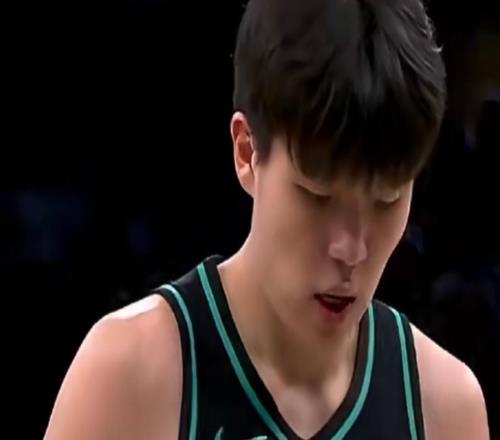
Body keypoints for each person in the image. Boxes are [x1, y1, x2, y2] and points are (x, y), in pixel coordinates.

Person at [45, 0, 490, 438]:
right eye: (317, 196)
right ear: (246, 152)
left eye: (387, 200)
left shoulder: (446, 410)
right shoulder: (129, 377)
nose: (352, 248)